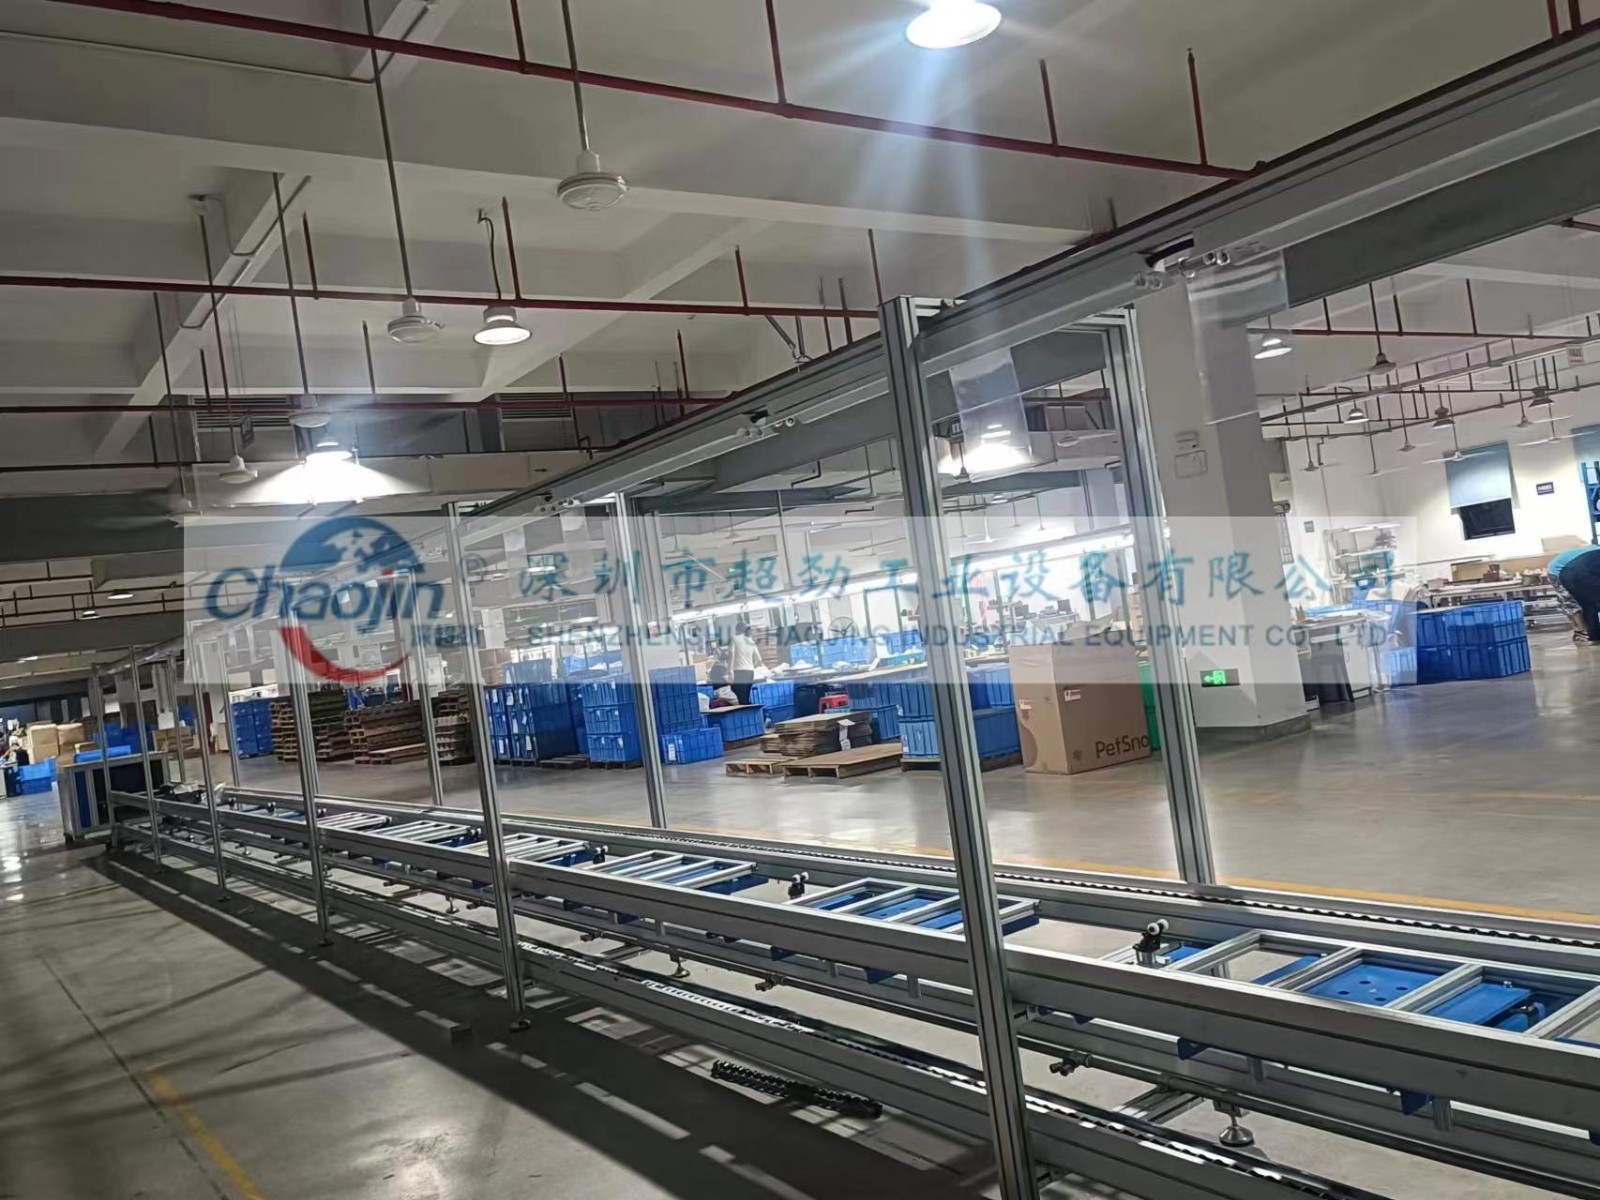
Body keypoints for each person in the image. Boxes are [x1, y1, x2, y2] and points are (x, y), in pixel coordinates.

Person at [1550, 544, 1600, 643]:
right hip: (1557, 571)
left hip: (1574, 570)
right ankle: (1583, 630)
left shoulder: (1594, 551)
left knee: (1588, 602)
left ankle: (1592, 633)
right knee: (1571, 603)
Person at [730, 622, 764, 706]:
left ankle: (743, 713)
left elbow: (731, 654)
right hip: (750, 672)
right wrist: (752, 665)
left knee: (739, 698)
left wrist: (729, 670)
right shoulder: (750, 641)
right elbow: (759, 659)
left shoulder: (734, 639)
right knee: (746, 697)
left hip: (739, 672)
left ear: (737, 630)